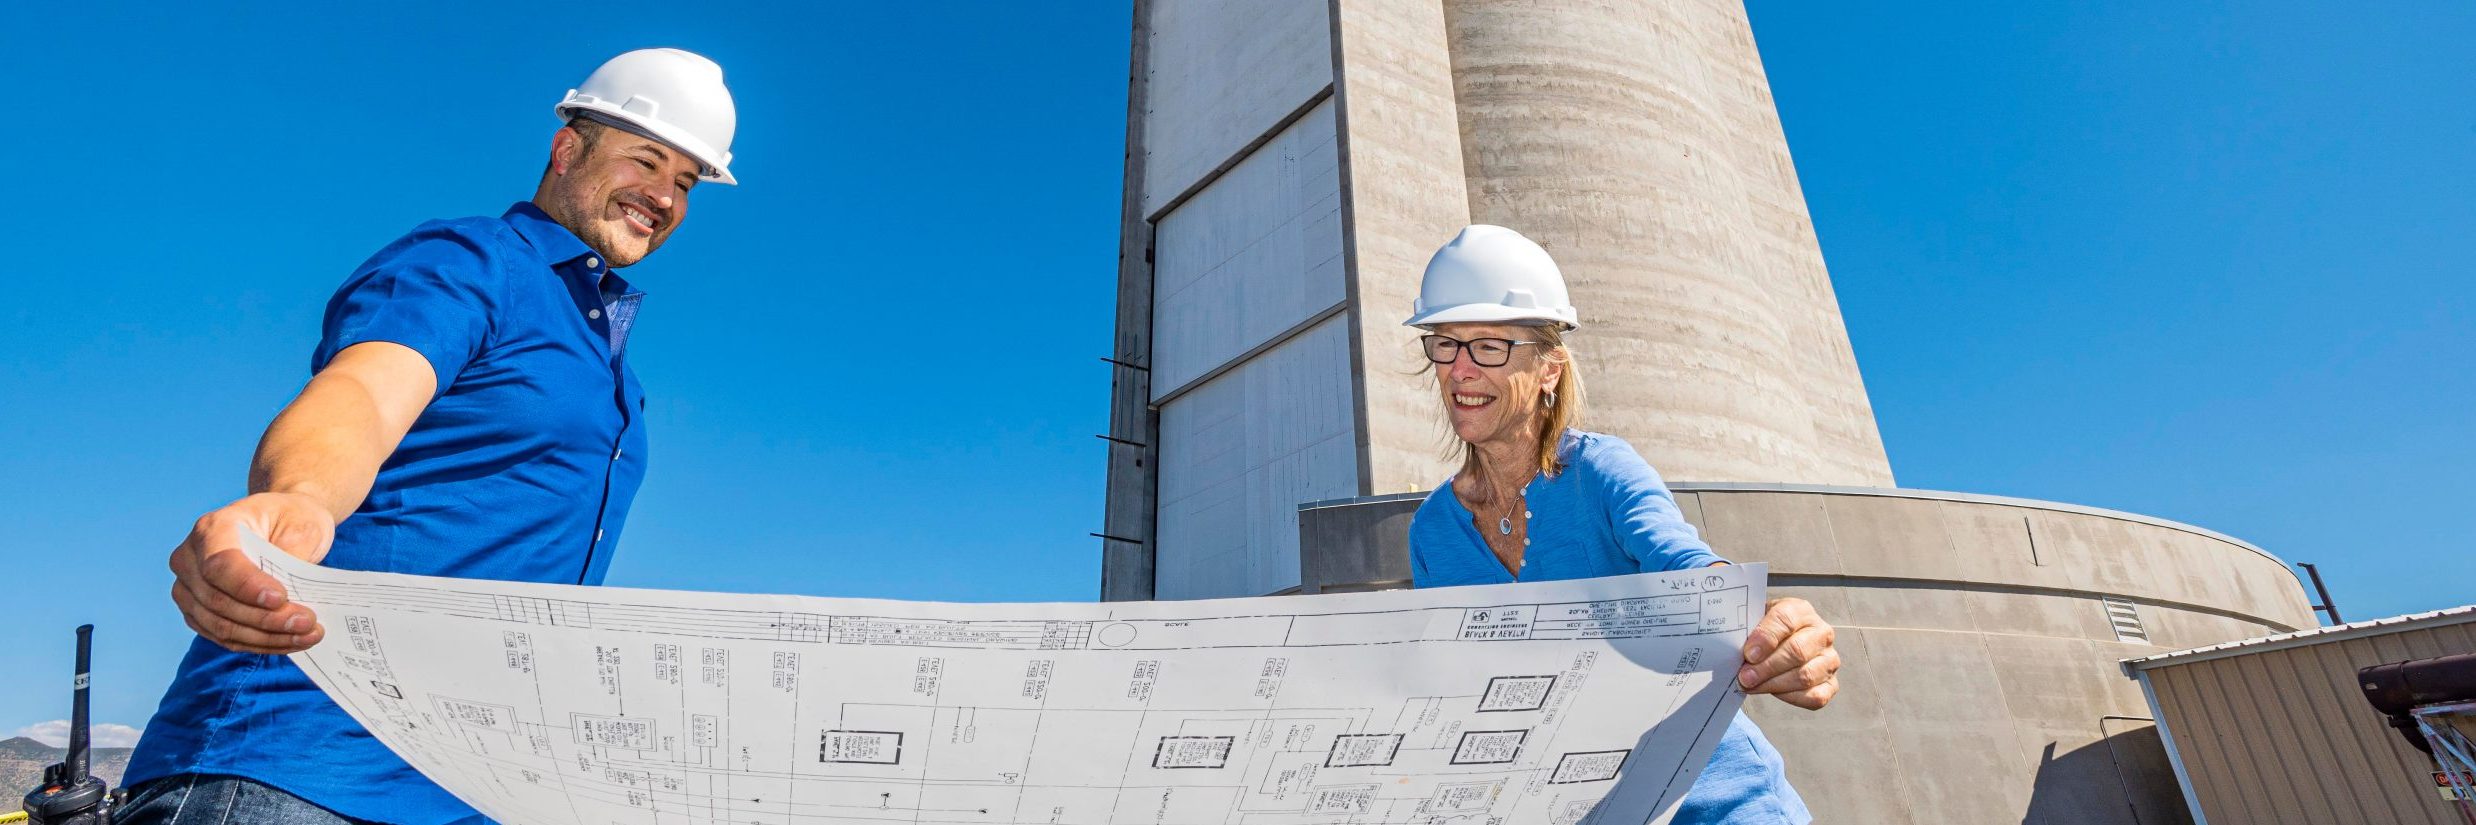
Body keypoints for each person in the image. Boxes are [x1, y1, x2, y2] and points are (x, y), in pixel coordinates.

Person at [119, 48, 741, 825]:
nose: (663, 195)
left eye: (686, 182)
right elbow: (364, 393)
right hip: (300, 767)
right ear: (567, 148)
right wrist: (300, 499)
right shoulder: (475, 261)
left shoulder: (616, 374)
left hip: (472, 789)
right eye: (646, 160)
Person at [1403, 225, 1840, 824]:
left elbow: (1688, 567)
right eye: (1445, 343)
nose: (1460, 370)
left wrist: (1770, 629)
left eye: (1490, 347)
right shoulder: (1432, 532)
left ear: (1549, 368)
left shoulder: (1600, 472)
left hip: (1722, 808)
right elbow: (1459, 690)